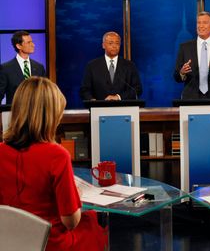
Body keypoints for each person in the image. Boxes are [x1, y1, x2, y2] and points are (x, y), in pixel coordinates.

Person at [0, 77, 108, 251]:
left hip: (8, 242)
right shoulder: (57, 155)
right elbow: (71, 221)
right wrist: (75, 194)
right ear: (49, 116)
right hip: (49, 243)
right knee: (93, 223)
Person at [80, 31, 142, 101]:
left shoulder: (129, 66)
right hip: (99, 109)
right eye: (110, 43)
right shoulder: (92, 66)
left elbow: (137, 89)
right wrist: (92, 100)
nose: (114, 46)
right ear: (103, 45)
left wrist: (118, 97)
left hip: (124, 109)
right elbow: (85, 90)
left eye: (117, 43)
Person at [0, 30, 46, 104]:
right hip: (15, 112)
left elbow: (45, 93)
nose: (33, 45)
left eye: (32, 41)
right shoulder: (6, 68)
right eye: (29, 42)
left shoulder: (39, 67)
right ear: (18, 46)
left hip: (36, 112)